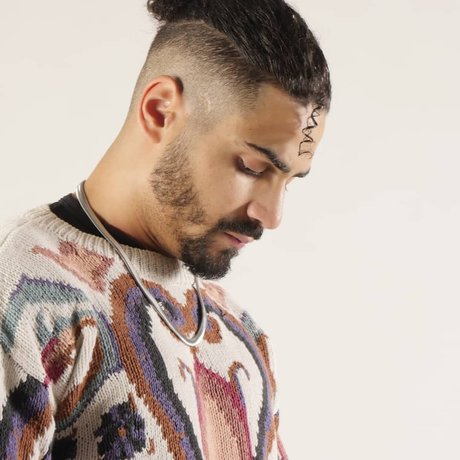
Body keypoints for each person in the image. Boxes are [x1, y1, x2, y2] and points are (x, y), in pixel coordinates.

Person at [0, 0, 330, 458]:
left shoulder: (243, 338)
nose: (271, 216)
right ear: (159, 110)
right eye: (253, 167)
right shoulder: (20, 293)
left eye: (289, 182)